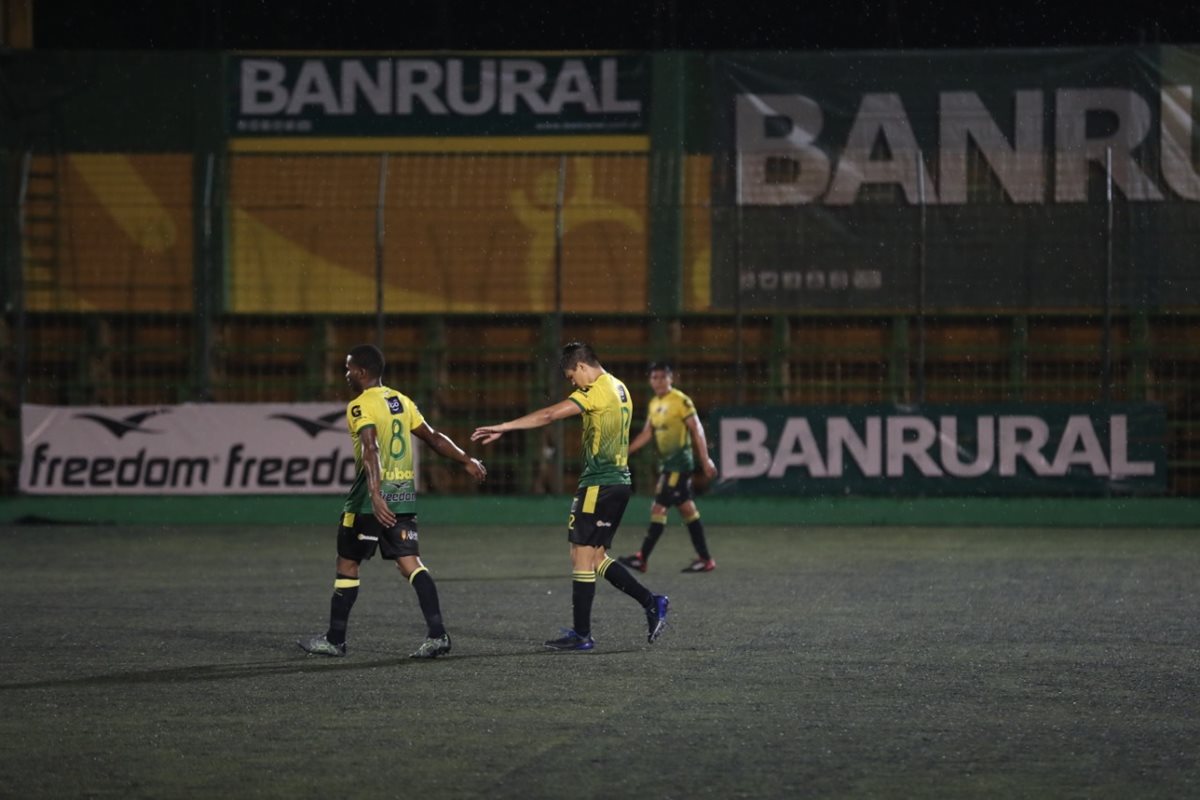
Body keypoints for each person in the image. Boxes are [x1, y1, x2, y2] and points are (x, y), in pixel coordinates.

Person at [471, 342, 670, 652]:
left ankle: (581, 634)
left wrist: (505, 426)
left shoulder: (597, 391)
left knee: (580, 554)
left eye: (570, 377)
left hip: (599, 484)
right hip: (618, 482)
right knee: (595, 557)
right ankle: (651, 601)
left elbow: (551, 414)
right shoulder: (620, 387)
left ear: (580, 366)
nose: (572, 384)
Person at [299, 344, 486, 660]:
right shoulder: (401, 400)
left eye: (348, 369)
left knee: (347, 563)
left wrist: (374, 495)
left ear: (360, 372)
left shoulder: (360, 406)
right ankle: (438, 635)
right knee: (411, 565)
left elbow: (370, 449)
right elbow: (433, 436)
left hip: (369, 502)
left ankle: (335, 640)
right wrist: (466, 459)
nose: (346, 375)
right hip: (402, 496)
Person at [618, 362, 719, 574]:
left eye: (663, 377)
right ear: (650, 381)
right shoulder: (654, 403)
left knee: (658, 508)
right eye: (655, 378)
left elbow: (697, 428)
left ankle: (641, 558)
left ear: (671, 379)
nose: (659, 381)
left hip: (679, 466)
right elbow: (647, 433)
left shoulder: (681, 401)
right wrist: (625, 452)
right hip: (668, 466)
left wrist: (705, 459)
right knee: (687, 510)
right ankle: (706, 559)